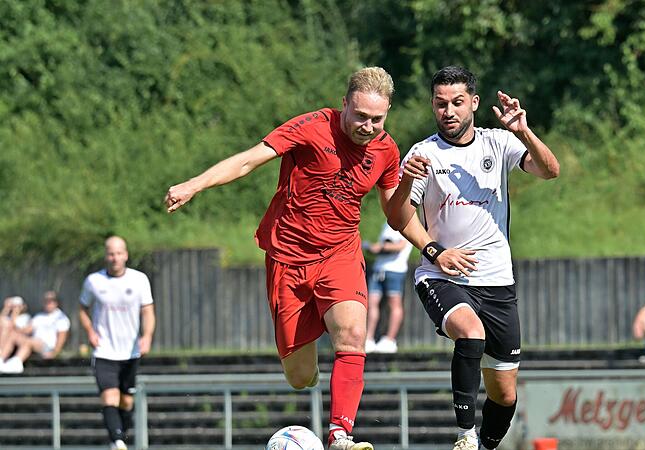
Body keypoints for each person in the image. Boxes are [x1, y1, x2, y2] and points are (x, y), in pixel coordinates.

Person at [163, 67, 402, 450]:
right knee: (299, 375)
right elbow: (247, 161)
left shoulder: (387, 150)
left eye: (377, 119)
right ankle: (315, 366)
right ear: (344, 104)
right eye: (360, 115)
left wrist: (431, 241)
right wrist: (195, 184)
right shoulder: (311, 126)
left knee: (353, 334)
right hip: (287, 259)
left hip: (340, 253)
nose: (368, 126)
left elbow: (396, 212)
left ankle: (340, 434)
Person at [385, 66, 560, 450]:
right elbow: (398, 218)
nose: (449, 111)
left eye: (457, 103)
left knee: (505, 395)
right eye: (440, 103)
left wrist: (524, 132)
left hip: (497, 281)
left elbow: (550, 170)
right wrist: (435, 250)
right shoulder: (423, 154)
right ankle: (464, 435)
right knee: (470, 332)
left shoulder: (498, 143)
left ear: (474, 104)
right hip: (440, 276)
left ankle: (483, 445)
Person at [79, 236, 156, 450]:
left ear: (126, 255)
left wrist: (147, 336)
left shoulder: (139, 279)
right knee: (109, 395)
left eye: (119, 253)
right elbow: (82, 309)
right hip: (104, 351)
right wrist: (90, 331)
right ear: (106, 256)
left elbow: (148, 311)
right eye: (111, 254)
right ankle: (117, 440)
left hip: (130, 351)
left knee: (126, 402)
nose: (115, 258)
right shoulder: (94, 281)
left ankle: (121, 436)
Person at [364, 221, 413, 354]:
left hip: (395, 270)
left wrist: (380, 247)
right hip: (379, 269)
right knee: (371, 303)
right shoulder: (387, 223)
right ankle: (368, 339)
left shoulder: (407, 220)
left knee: (394, 304)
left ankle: (390, 340)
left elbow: (401, 245)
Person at [0, 291, 70, 374]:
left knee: (29, 341)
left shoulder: (61, 318)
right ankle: (1, 359)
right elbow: (26, 330)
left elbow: (62, 337)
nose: (48, 303)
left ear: (56, 302)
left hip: (47, 347)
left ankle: (16, 363)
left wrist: (54, 353)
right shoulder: (39, 316)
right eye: (46, 300)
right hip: (33, 343)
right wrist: (12, 316)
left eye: (51, 300)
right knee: (14, 335)